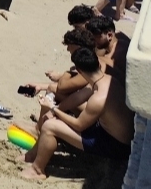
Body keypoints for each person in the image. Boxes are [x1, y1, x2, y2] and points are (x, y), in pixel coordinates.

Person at [22, 47, 132, 180]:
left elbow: (79, 125)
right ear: (97, 64)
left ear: (79, 71)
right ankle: (32, 155)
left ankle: (37, 170)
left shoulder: (98, 99)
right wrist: (56, 107)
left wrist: (53, 108)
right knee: (58, 111)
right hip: (117, 135)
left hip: (114, 146)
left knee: (49, 127)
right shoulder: (108, 80)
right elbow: (78, 97)